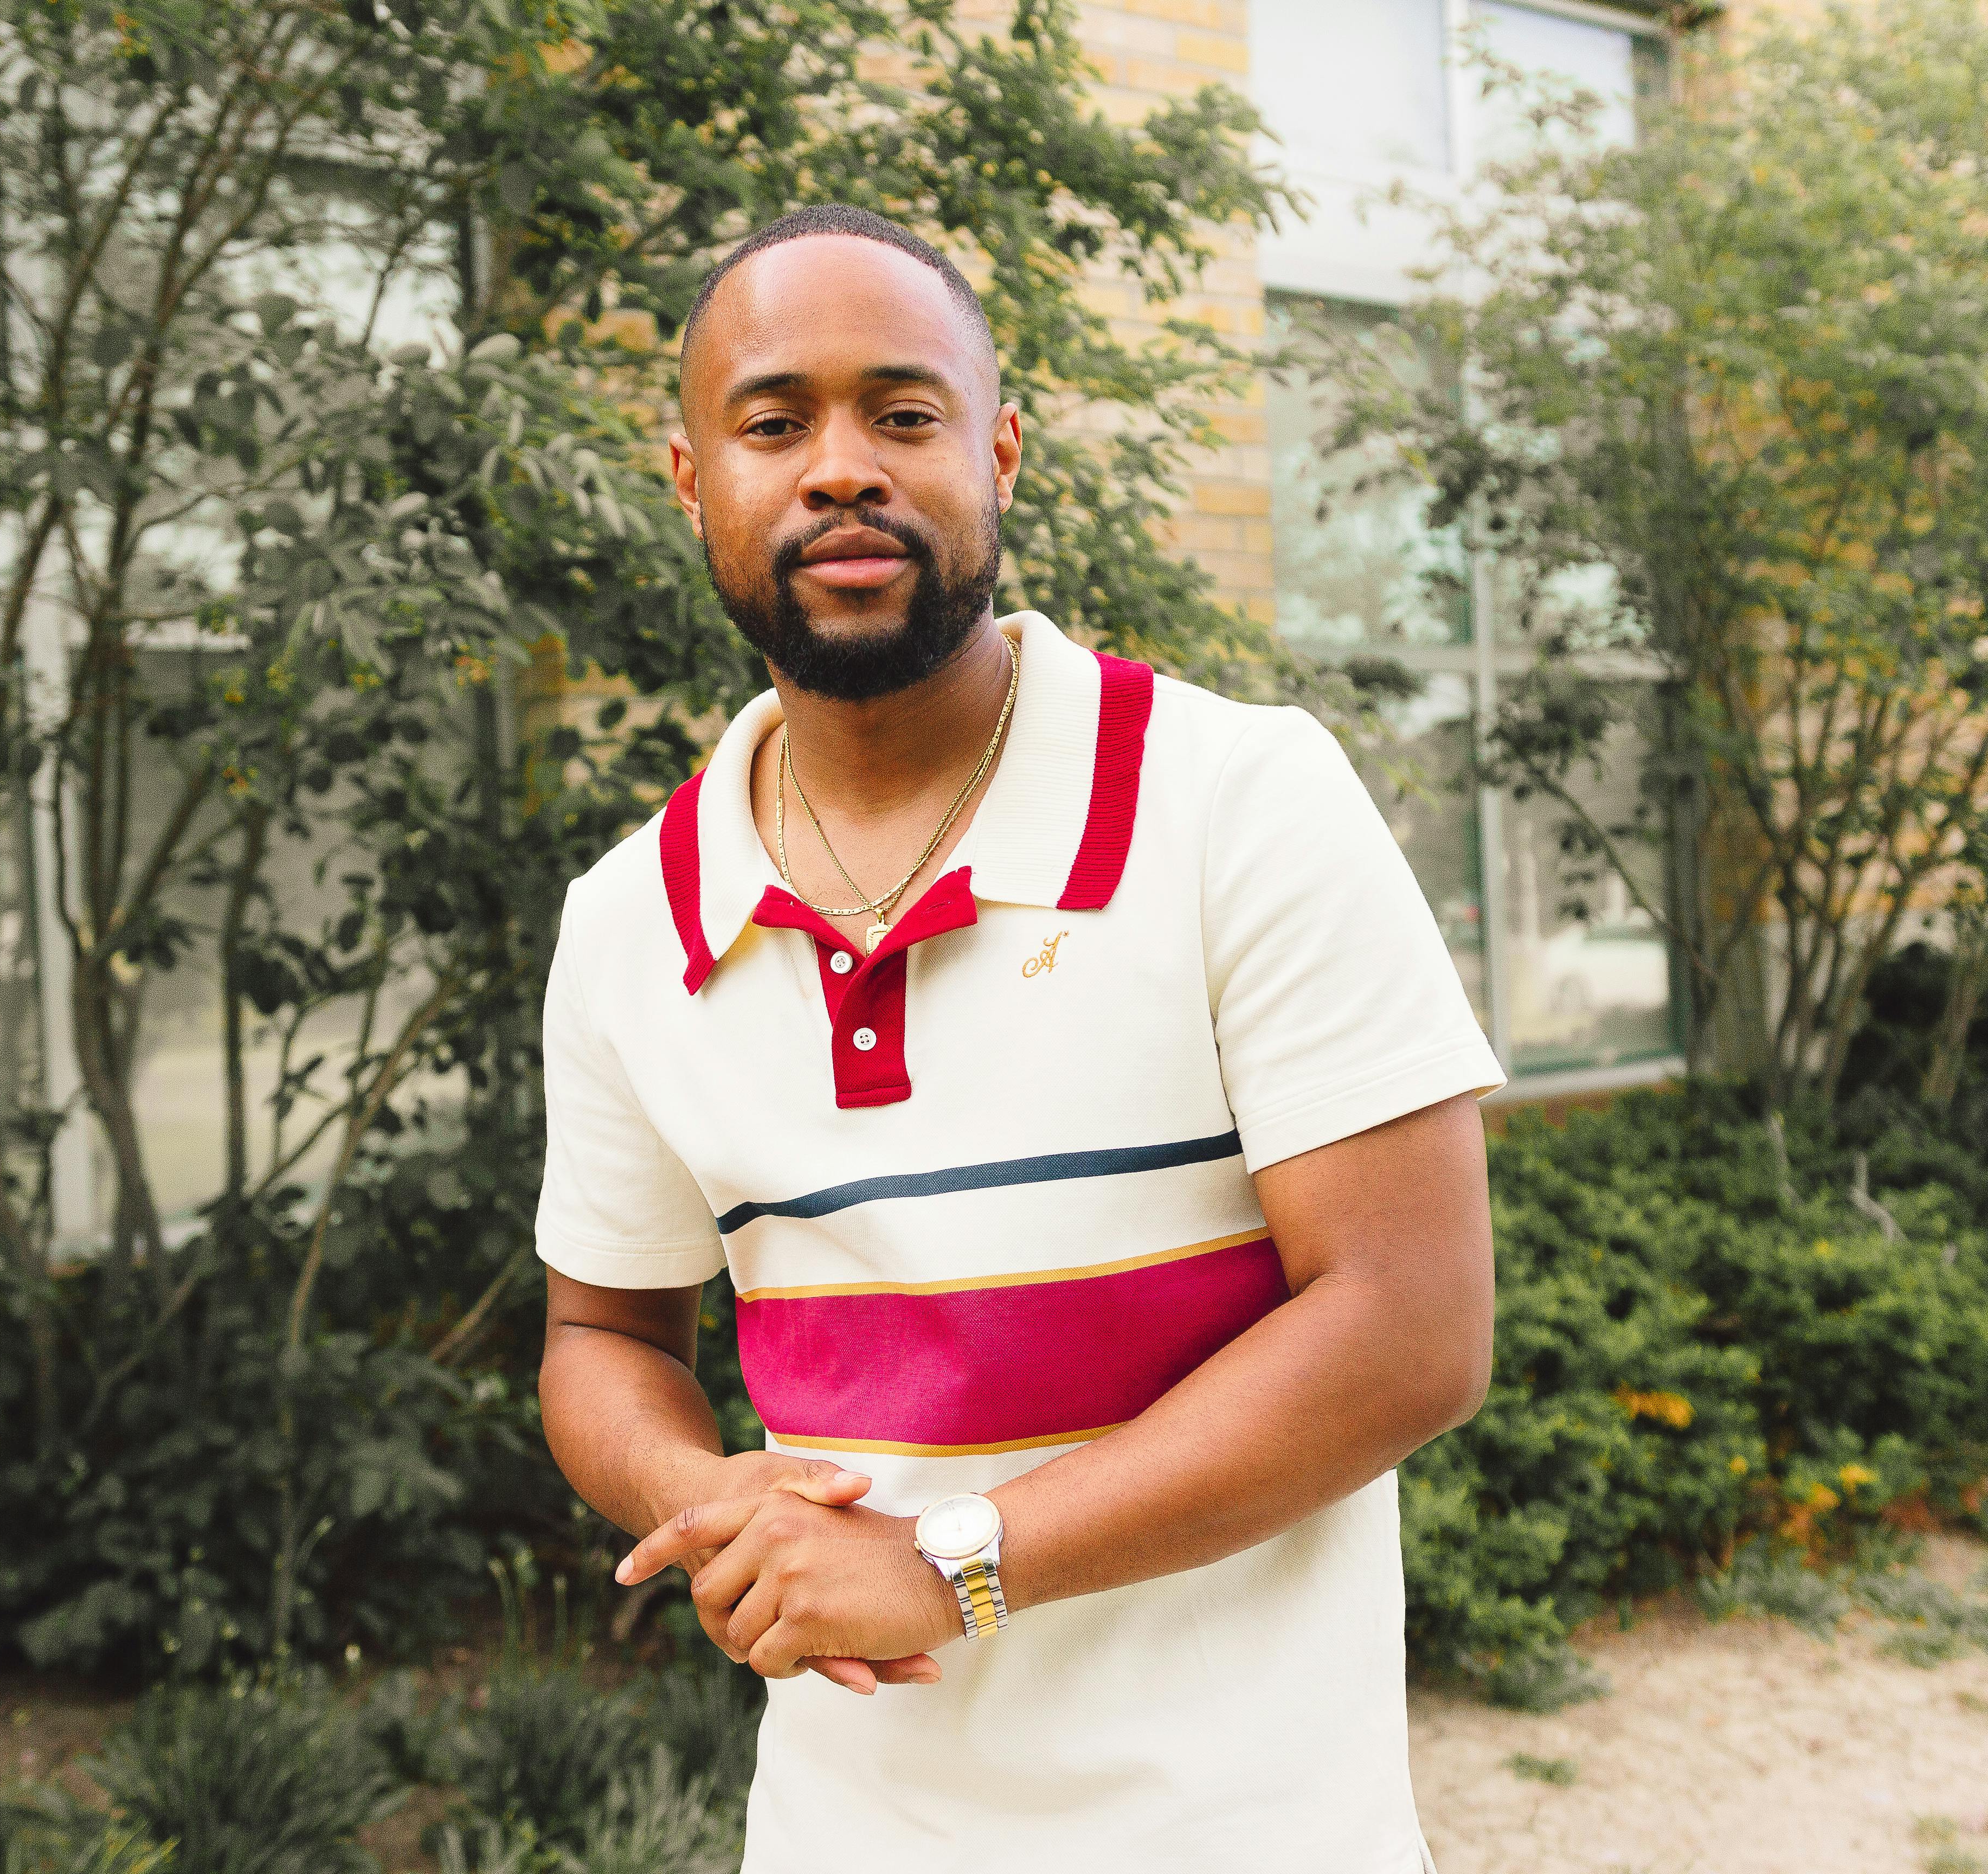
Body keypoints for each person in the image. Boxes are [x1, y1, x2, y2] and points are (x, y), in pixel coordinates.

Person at [531, 203, 1503, 1874]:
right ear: (693, 482)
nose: (842, 468)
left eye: (904, 416)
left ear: (1001, 452)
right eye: (774, 423)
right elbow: (601, 1342)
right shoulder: (630, 922)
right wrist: (706, 1501)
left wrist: (952, 1560)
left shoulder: (1237, 802)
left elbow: (1413, 1329)